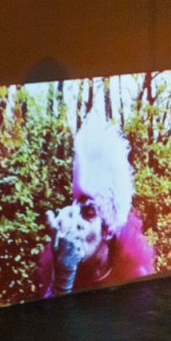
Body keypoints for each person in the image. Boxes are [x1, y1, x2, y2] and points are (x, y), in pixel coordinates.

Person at [38, 113, 155, 297]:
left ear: (108, 229)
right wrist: (61, 281)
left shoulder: (133, 278)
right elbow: (48, 324)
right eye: (75, 202)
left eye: (89, 211)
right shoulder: (62, 260)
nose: (74, 217)